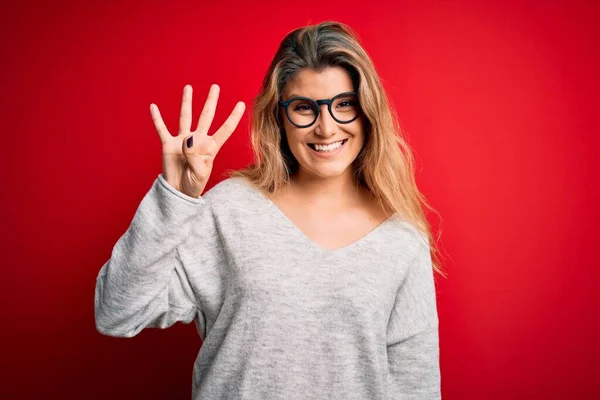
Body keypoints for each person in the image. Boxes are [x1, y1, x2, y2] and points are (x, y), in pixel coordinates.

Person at [95, 21, 444, 400]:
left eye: (343, 104)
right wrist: (174, 198)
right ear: (279, 118)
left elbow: (415, 385)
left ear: (367, 111)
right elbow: (117, 312)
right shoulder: (229, 210)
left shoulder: (402, 240)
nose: (326, 128)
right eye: (303, 108)